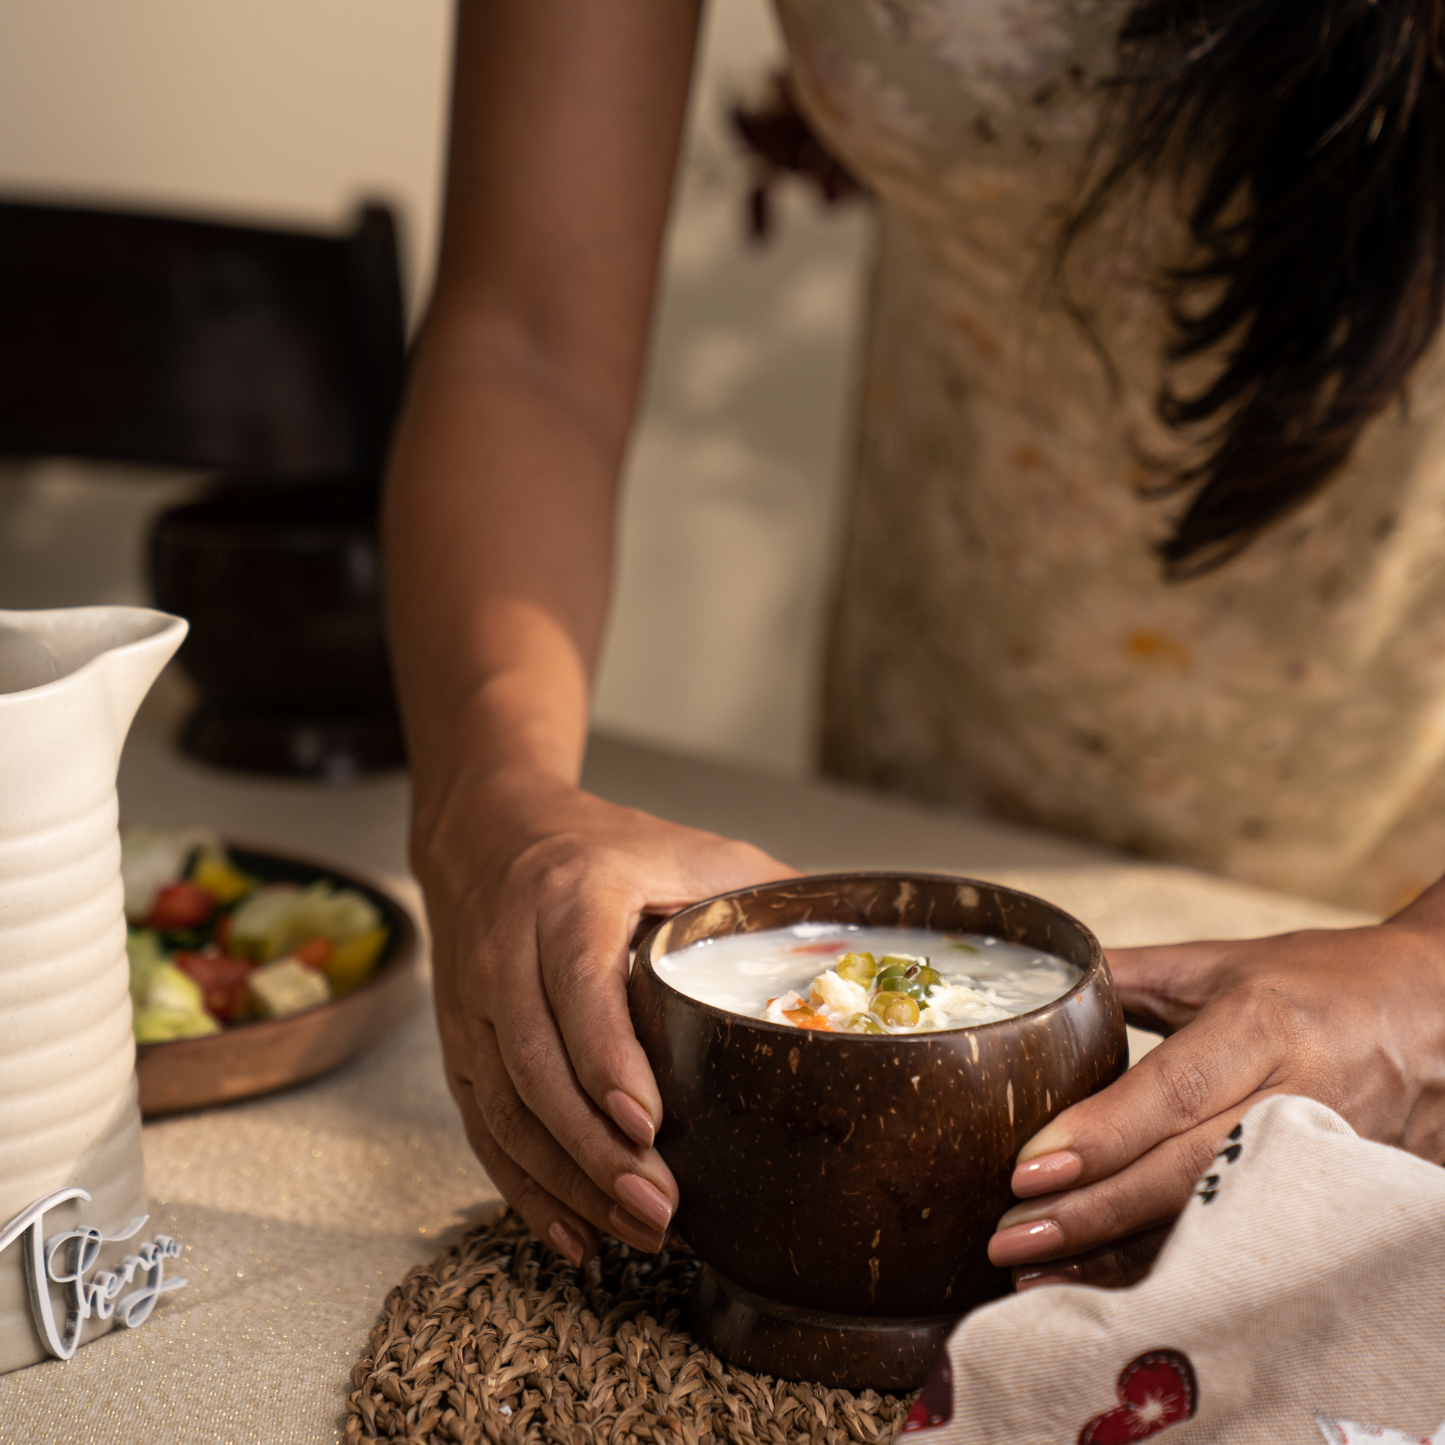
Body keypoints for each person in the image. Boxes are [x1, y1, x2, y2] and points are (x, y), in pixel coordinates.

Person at [382, 1, 1445, 1281]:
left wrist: (1427, 979)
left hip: (1393, 815)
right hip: (918, 722)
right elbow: (527, 339)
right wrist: (488, 803)